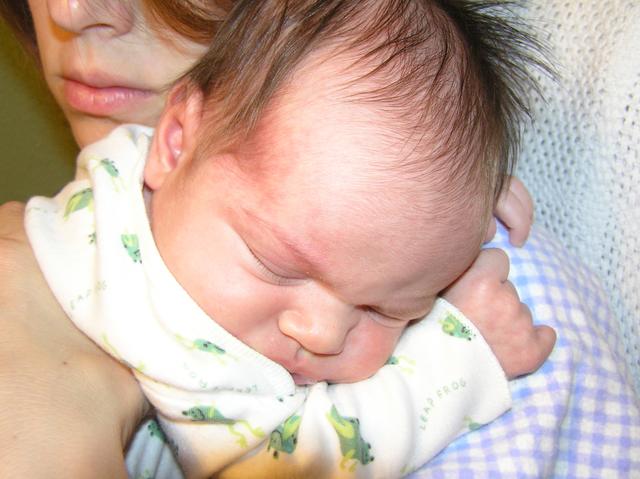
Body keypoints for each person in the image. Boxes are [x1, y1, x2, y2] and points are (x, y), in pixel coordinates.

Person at [0, 0, 551, 477]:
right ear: (175, 141)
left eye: (383, 309)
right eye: (276, 266)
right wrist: (463, 359)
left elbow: (311, 179)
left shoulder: (136, 168)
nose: (322, 334)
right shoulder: (193, 346)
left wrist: (432, 203)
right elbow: (294, 462)